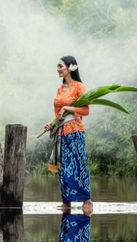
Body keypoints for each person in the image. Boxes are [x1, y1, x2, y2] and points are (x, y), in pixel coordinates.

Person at [44, 56, 93, 209]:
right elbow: (57, 114)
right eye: (57, 66)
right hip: (61, 132)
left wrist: (67, 108)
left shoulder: (79, 87)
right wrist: (51, 124)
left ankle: (86, 200)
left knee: (78, 164)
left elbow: (85, 110)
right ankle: (66, 201)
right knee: (63, 166)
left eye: (60, 66)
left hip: (75, 131)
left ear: (70, 68)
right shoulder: (60, 88)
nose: (58, 69)